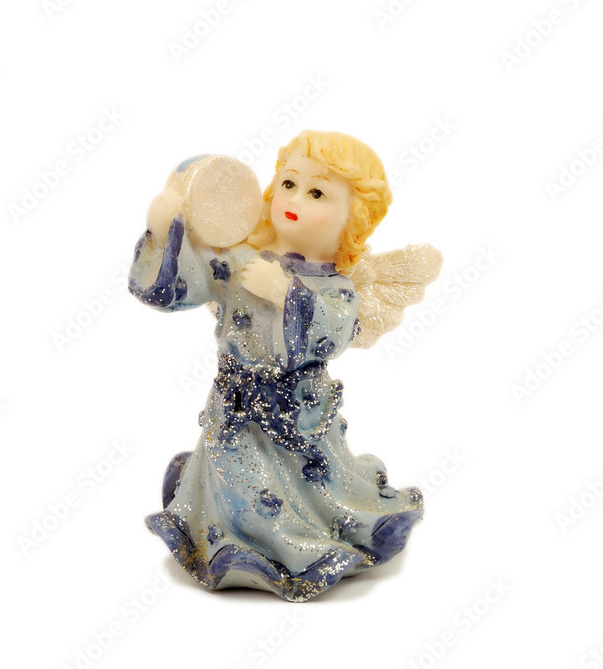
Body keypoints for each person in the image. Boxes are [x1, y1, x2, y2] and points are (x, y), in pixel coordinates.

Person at [129, 130, 423, 602]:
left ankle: (300, 545)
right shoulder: (239, 261)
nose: (295, 199)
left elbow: (334, 333)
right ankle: (234, 541)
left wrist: (284, 292)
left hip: (300, 414)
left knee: (311, 485)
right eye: (288, 183)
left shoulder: (336, 287)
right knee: (237, 477)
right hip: (234, 411)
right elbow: (179, 290)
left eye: (317, 193)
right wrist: (164, 230)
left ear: (353, 219)